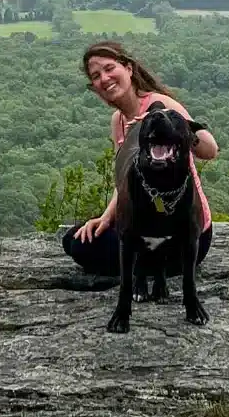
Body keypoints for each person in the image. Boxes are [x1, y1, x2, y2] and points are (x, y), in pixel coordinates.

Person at [62, 40, 219, 276]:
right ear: (94, 87)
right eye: (96, 76)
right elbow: (125, 181)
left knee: (83, 248)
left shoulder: (162, 105)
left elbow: (210, 150)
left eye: (109, 68)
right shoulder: (119, 122)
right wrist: (106, 217)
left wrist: (178, 129)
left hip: (185, 233)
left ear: (128, 68)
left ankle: (148, 271)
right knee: (74, 239)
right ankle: (147, 268)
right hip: (144, 223)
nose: (104, 78)